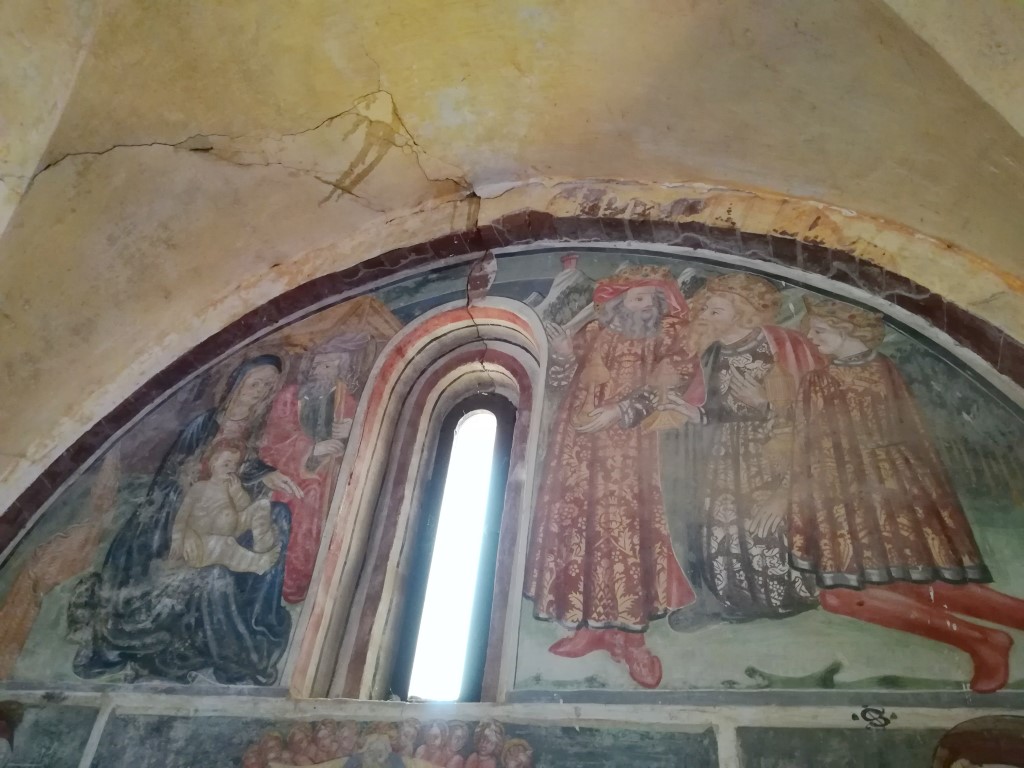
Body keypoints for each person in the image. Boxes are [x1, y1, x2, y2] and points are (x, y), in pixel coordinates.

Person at [787, 298, 1024, 693]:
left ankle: (982, 642)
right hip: (893, 488)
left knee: (851, 594)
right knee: (910, 586)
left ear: (848, 329)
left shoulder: (824, 380)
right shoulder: (882, 367)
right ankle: (984, 641)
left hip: (861, 497)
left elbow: (811, 451)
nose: (811, 337)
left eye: (820, 330)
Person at [70, 355, 301, 685]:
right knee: (209, 566)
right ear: (238, 383)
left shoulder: (258, 427)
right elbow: (176, 474)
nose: (261, 390)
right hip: (182, 512)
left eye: (269, 385)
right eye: (255, 382)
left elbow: (243, 465)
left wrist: (263, 473)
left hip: (228, 510)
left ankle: (257, 618)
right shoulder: (204, 425)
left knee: (279, 516)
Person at [523, 264, 699, 688]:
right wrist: (563, 354)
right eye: (639, 299)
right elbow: (561, 382)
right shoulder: (593, 334)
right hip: (578, 448)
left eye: (653, 300)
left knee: (625, 533)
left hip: (631, 451)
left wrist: (620, 411)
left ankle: (632, 639)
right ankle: (590, 628)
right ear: (619, 303)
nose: (647, 307)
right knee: (580, 529)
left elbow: (671, 385)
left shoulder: (668, 339)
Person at [660, 273, 821, 621]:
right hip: (724, 454)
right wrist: (696, 413)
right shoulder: (713, 353)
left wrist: (765, 404)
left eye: (715, 311)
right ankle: (731, 602)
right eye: (705, 309)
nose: (705, 316)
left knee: (766, 529)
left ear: (743, 312)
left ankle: (780, 599)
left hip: (773, 451)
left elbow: (816, 413)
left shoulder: (780, 346)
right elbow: (720, 411)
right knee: (721, 529)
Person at [262, 334, 367, 603]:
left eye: (328, 366)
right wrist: (312, 449)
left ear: (340, 370)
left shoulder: (347, 402)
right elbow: (275, 436)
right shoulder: (291, 396)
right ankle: (283, 580)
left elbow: (362, 447)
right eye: (317, 364)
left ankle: (300, 582)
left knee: (318, 494)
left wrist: (350, 434)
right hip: (287, 469)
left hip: (324, 476)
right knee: (304, 495)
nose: (319, 371)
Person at [169, 440, 280, 574]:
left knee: (262, 505)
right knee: (225, 544)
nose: (231, 469)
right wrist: (178, 541)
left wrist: (237, 493)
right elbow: (182, 517)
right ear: (213, 464)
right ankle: (258, 564)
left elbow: (244, 506)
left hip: (232, 527)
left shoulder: (234, 487)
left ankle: (263, 547)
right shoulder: (200, 488)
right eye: (226, 464)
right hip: (202, 543)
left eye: (235, 465)